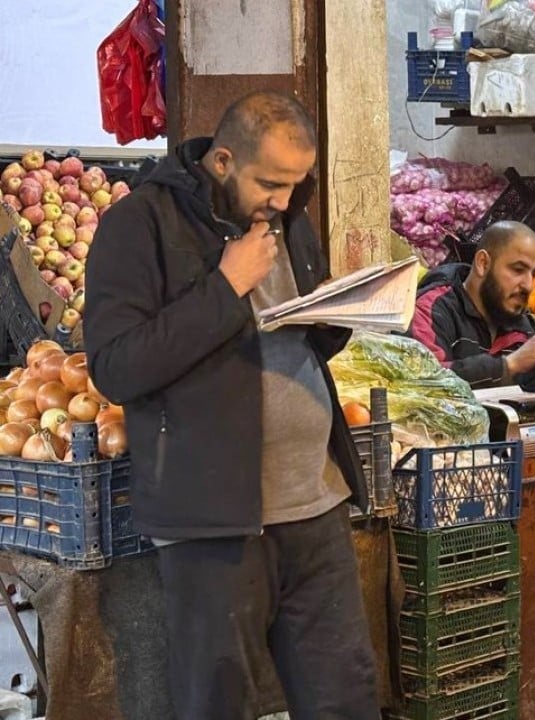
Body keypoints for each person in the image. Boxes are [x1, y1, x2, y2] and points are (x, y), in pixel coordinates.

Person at [83, 91, 381, 719]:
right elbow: (117, 367)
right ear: (222, 161)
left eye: (296, 185)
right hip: (211, 520)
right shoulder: (138, 224)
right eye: (270, 184)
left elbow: (289, 332)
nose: (283, 201)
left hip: (315, 502)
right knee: (219, 703)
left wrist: (338, 311)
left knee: (345, 699)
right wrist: (227, 285)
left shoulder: (288, 214)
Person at [411, 221, 535, 394]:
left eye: (534, 273)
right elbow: (425, 383)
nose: (528, 286)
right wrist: (508, 365)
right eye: (518, 270)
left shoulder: (517, 324)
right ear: (483, 263)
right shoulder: (431, 309)